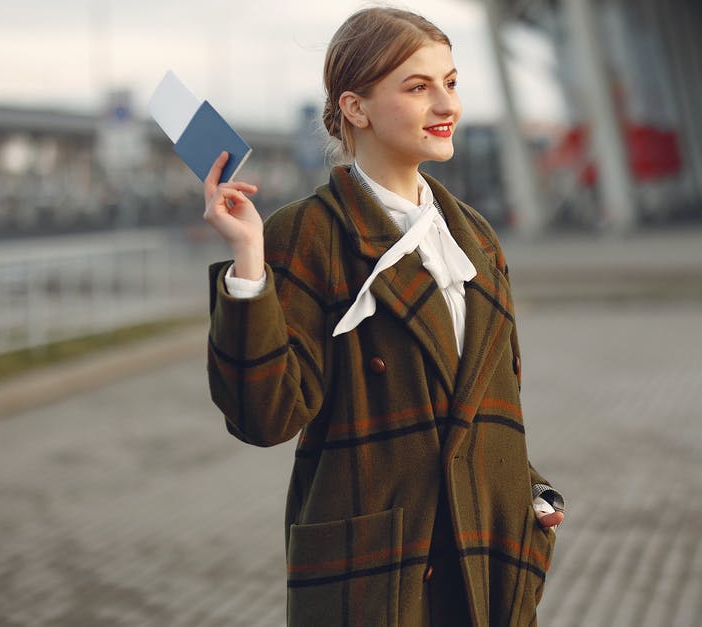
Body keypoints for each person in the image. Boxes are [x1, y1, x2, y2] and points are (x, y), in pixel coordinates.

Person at [201, 8, 564, 625]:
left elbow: (496, 402)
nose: (445, 104)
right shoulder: (307, 234)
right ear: (356, 107)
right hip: (379, 573)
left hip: (486, 554)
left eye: (450, 82)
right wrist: (249, 265)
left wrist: (534, 496)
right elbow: (264, 418)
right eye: (418, 87)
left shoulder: (474, 238)